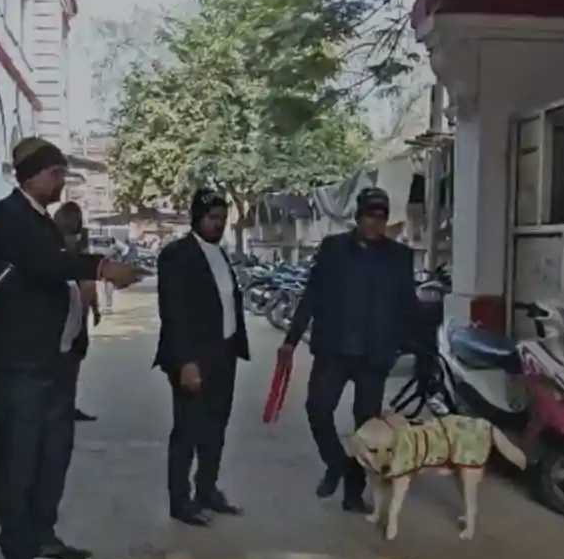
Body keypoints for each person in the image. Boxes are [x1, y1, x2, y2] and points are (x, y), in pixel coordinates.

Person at [0, 137, 140, 559]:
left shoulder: (42, 220)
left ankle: (43, 538)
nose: (61, 182)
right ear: (30, 175)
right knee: (20, 461)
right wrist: (101, 267)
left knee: (53, 455)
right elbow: (44, 265)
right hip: (20, 363)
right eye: (55, 173)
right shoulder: (6, 216)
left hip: (55, 359)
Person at [279, 187, 418, 514]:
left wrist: (417, 348)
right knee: (317, 408)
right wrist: (291, 339)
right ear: (358, 216)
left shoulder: (400, 256)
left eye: (381, 217)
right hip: (334, 350)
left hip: (374, 356)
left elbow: (408, 305)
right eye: (370, 215)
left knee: (365, 429)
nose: (375, 222)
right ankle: (336, 463)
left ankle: (353, 495)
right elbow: (312, 295)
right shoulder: (333, 249)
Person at [154, 188, 250, 527]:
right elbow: (173, 312)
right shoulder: (177, 255)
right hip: (192, 358)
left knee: (216, 428)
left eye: (223, 219)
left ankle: (207, 489)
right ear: (196, 217)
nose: (218, 224)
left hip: (224, 353)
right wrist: (186, 362)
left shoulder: (219, 253)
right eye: (212, 218)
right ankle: (180, 501)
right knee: (188, 431)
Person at [52, 201, 102, 423]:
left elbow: (88, 281)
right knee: (68, 362)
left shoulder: (71, 248)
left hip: (75, 314)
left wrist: (95, 308)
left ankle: (66, 405)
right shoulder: (62, 252)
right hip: (70, 315)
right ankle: (63, 406)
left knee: (71, 361)